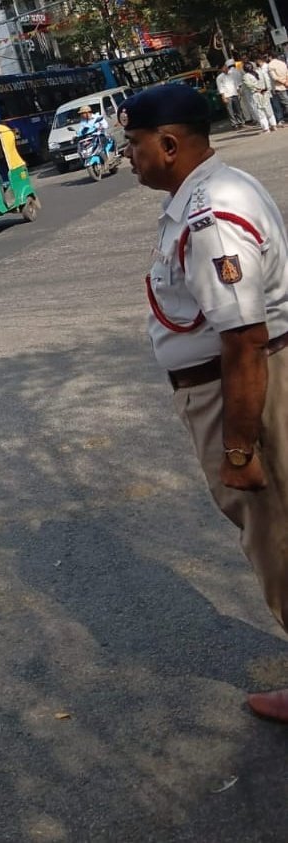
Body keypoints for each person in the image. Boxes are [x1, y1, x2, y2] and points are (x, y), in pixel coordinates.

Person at [119, 84, 288, 721]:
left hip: (242, 394)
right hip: (238, 385)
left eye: (134, 143)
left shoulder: (210, 215)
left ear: (168, 144)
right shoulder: (211, 192)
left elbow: (243, 339)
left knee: (277, 540)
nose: (128, 155)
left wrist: (239, 449)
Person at [241, 61, 277, 133]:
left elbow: (249, 85)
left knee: (260, 112)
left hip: (256, 95)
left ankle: (266, 128)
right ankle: (273, 125)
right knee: (269, 109)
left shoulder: (245, 76)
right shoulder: (260, 72)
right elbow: (267, 81)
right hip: (265, 93)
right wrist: (266, 89)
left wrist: (258, 90)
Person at [216, 59, 246, 128]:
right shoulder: (219, 78)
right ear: (221, 69)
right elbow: (220, 88)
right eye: (224, 67)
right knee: (230, 111)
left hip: (234, 93)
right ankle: (234, 124)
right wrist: (223, 97)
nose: (226, 68)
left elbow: (235, 83)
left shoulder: (231, 74)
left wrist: (238, 92)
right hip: (227, 96)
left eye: (226, 66)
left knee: (238, 109)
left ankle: (241, 122)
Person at [264, 52, 288, 125]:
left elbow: (274, 77)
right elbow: (287, 73)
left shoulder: (270, 65)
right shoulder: (282, 63)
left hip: (278, 87)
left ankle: (281, 119)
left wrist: (283, 82)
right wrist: (286, 82)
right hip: (286, 85)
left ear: (270, 57)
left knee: (282, 103)